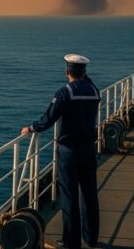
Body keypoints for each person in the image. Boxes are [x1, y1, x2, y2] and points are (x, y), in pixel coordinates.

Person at [21, 54, 100, 249]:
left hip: (69, 151)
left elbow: (48, 119)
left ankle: (71, 242)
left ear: (67, 72)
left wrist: (31, 128)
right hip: (89, 149)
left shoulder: (65, 92)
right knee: (90, 194)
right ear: (84, 72)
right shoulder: (94, 91)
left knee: (70, 196)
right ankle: (91, 237)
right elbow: (87, 83)